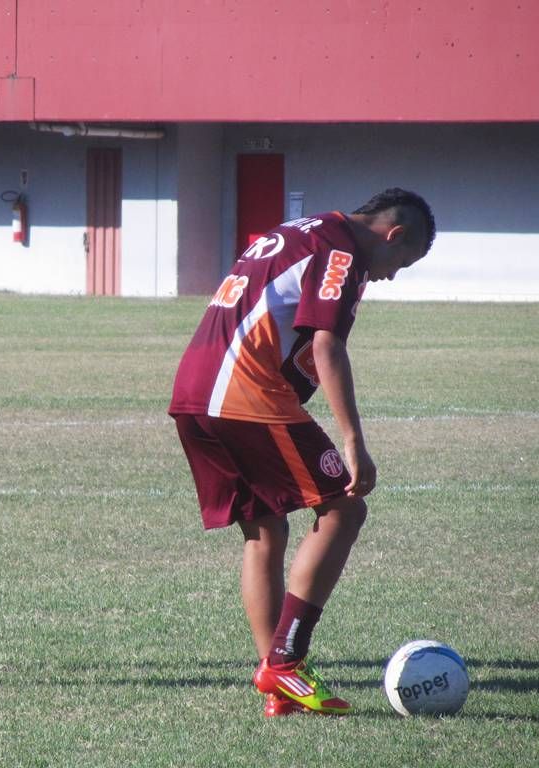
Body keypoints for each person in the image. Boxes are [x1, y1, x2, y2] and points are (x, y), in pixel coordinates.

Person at [168, 189, 436, 716]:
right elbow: (325, 344)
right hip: (242, 394)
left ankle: (278, 687)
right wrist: (354, 440)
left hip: (195, 390)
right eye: (401, 262)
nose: (392, 275)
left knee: (265, 530)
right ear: (393, 234)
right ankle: (286, 661)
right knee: (344, 507)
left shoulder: (299, 229)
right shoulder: (342, 251)